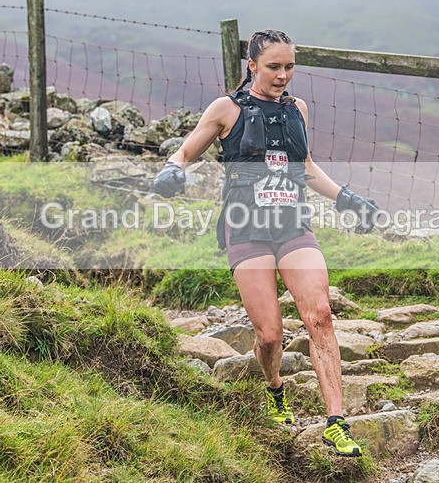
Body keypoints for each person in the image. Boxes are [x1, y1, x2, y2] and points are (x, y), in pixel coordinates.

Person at [154, 29, 378, 457]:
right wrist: (173, 171)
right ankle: (275, 388)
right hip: (246, 229)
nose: (282, 76)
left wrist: (347, 199)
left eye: (289, 67)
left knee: (321, 316)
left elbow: (306, 166)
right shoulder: (226, 109)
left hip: (293, 225)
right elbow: (185, 153)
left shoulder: (298, 109)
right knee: (271, 336)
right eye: (274, 67)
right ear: (252, 65)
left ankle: (336, 420)